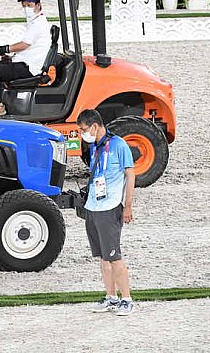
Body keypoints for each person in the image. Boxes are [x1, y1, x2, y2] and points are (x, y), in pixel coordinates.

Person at [77, 109, 136, 316]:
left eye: (83, 129)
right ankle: (111, 297)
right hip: (93, 207)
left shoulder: (118, 144)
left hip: (110, 208)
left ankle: (127, 299)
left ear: (94, 126)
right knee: (103, 257)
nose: (82, 133)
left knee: (114, 256)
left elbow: (130, 174)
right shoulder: (94, 147)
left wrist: (127, 205)